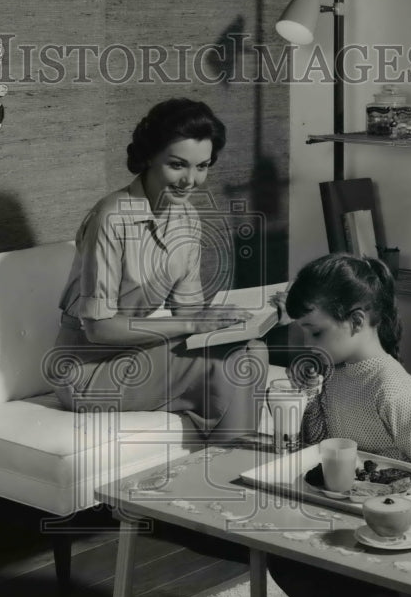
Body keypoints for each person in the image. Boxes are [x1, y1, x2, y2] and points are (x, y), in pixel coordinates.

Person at [267, 253, 411, 597]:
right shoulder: (338, 372)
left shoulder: (391, 387)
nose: (309, 345)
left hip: (391, 531)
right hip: (344, 517)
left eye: (316, 332)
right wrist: (312, 393)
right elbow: (314, 447)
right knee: (281, 555)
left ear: (356, 321)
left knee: (298, 562)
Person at [49, 97, 268, 442]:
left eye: (202, 166)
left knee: (252, 348)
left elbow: (190, 313)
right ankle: (234, 461)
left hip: (139, 354)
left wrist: (246, 318)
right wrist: (195, 324)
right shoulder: (111, 217)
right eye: (178, 165)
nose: (190, 180)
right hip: (85, 372)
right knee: (234, 363)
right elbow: (98, 329)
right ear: (150, 156)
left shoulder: (187, 219)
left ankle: (232, 458)